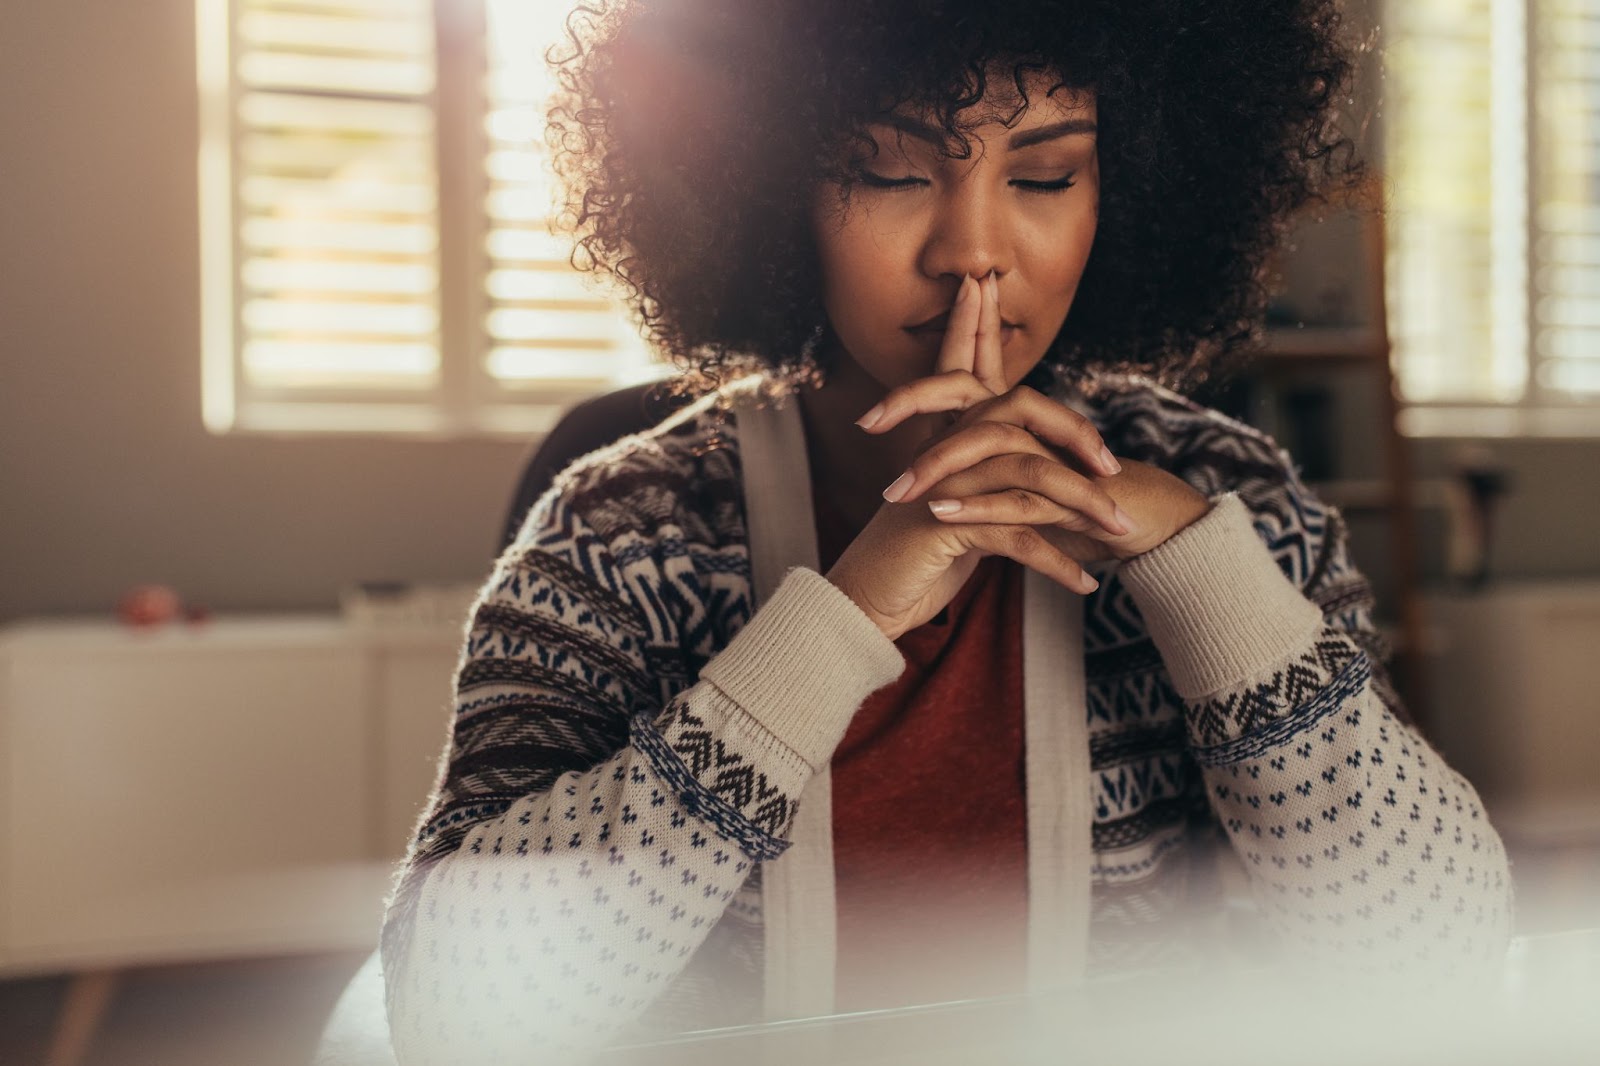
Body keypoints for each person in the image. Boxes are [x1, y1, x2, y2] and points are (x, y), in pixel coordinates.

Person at [380, 1, 1514, 1061]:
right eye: (887, 170)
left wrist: (1200, 575)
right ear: (768, 183)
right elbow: (454, 1013)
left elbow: (1437, 963)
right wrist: (844, 618)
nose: (973, 249)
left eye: (1045, 173)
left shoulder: (1230, 495)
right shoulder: (631, 533)